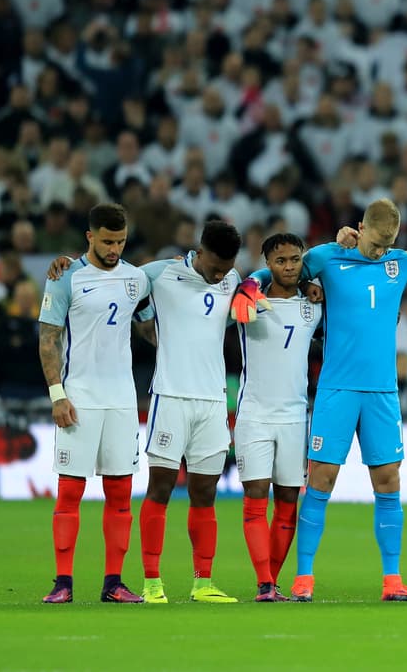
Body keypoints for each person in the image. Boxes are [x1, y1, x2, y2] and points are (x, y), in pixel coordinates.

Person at [265, 198, 407, 603]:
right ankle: (304, 577)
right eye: (377, 242)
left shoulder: (399, 264)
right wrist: (248, 286)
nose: (381, 251)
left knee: (388, 483)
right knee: (321, 481)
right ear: (360, 228)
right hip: (337, 390)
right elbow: (278, 271)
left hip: (382, 392)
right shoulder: (328, 257)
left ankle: (393, 579)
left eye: (389, 244)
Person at [37, 203, 155, 604]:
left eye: (120, 241)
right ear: (90, 237)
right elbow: (49, 338)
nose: (114, 249)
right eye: (107, 241)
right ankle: (63, 582)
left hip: (122, 402)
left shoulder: (136, 278)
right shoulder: (66, 275)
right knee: (70, 492)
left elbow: (152, 320)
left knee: (121, 494)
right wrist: (58, 395)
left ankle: (114, 583)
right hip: (80, 399)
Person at [135, 220, 244, 603]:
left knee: (204, 493)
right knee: (161, 488)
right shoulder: (161, 274)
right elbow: (115, 280)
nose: (219, 276)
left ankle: (203, 583)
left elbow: (260, 283)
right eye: (215, 267)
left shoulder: (233, 281)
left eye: (226, 269)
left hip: (213, 402)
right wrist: (69, 265)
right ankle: (151, 583)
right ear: (199, 252)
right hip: (170, 397)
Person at [234, 232, 322, 602]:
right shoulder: (247, 298)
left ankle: (272, 581)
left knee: (288, 500)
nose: (288, 266)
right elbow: (242, 295)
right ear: (267, 263)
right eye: (280, 260)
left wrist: (314, 286)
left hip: (294, 417)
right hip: (254, 413)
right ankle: (263, 582)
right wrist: (255, 278)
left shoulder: (314, 306)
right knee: (256, 496)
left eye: (295, 260)